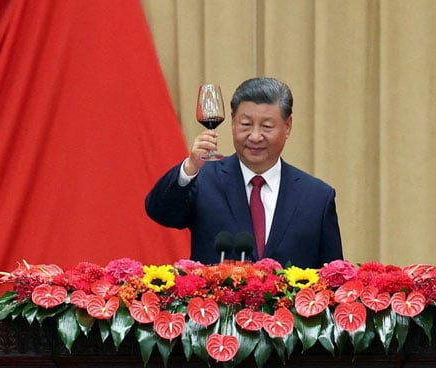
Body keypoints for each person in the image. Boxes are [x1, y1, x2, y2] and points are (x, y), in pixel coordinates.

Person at [145, 77, 343, 268]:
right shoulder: (203, 180)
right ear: (232, 123)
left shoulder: (317, 197)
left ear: (288, 126)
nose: (255, 136)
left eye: (266, 126)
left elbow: (334, 279)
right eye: (246, 125)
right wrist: (189, 168)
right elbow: (160, 212)